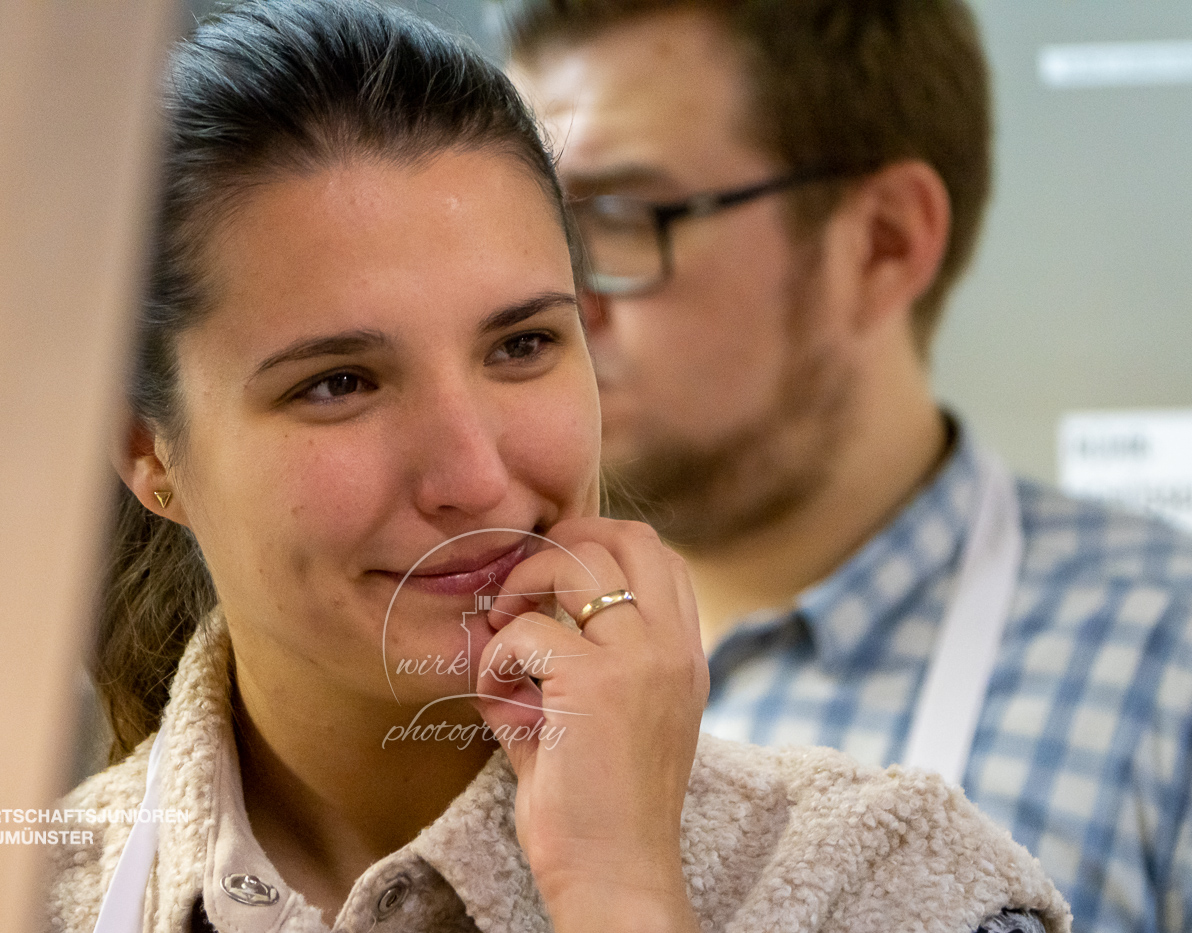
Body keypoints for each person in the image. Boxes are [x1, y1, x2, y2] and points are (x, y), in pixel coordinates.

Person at [46, 3, 1069, 932]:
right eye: (339, 383)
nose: (472, 476)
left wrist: (617, 885)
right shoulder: (7, 892)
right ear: (146, 449)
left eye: (521, 345)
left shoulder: (896, 885)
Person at [500, 2, 1192, 933]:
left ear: (884, 243)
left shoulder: (1166, 665)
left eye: (620, 217)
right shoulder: (478, 655)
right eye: (541, 226)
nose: (561, 298)